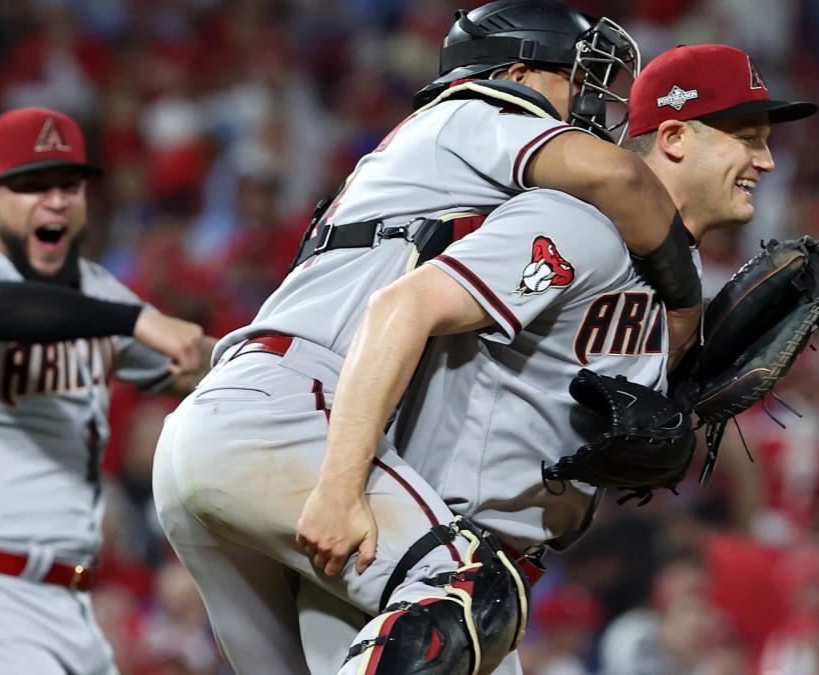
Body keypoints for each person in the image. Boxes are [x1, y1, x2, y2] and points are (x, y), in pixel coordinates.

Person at [152, 2, 705, 673]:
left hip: (222, 424)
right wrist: (682, 298)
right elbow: (620, 177)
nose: (585, 100)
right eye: (573, 77)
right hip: (294, 412)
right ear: (519, 70)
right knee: (471, 591)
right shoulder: (473, 112)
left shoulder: (420, 164)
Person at [298, 42, 816, 670]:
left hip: (481, 581)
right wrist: (341, 488)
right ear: (676, 137)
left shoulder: (674, 277)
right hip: (411, 556)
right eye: (747, 137)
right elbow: (405, 307)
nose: (765, 159)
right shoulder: (580, 224)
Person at [0, 107, 209, 675]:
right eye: (31, 186)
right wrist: (133, 321)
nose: (55, 200)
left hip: (68, 605)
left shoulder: (92, 290)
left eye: (68, 185)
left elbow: (196, 362)